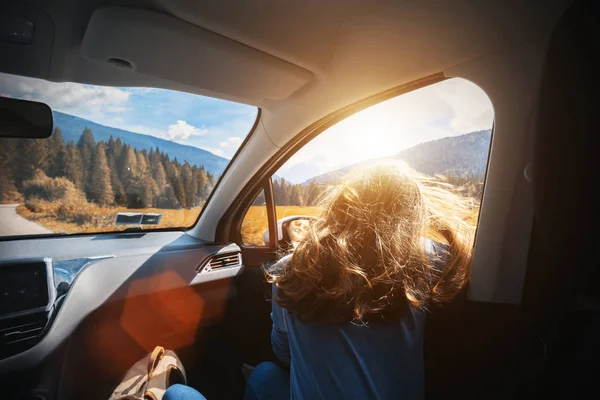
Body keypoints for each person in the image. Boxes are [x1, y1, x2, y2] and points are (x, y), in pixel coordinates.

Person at [245, 163, 474, 400]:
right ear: (414, 215)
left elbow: (283, 352)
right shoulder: (429, 264)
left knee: (263, 375)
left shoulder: (288, 270)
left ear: (339, 207)